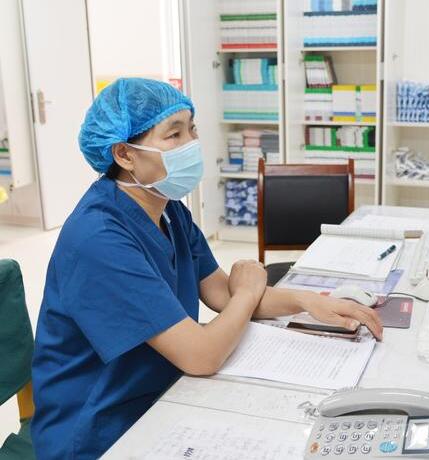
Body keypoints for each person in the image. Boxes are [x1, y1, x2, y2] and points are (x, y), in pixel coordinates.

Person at [30, 78, 383, 459]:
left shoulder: (168, 210)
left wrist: (309, 301)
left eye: (192, 129)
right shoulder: (99, 238)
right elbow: (202, 355)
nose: (192, 143)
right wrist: (247, 291)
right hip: (100, 431)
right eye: (174, 134)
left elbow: (220, 293)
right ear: (125, 155)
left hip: (163, 394)